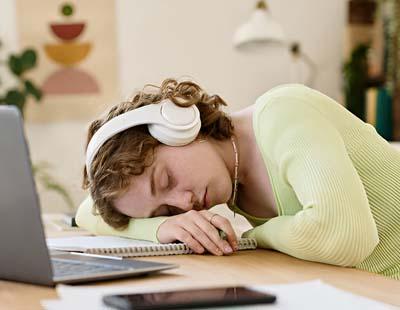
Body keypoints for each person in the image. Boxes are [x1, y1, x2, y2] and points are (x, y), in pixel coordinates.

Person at [76, 78, 400, 280]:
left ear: (179, 124)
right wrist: (160, 227)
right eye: (164, 209)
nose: (183, 204)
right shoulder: (228, 179)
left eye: (166, 180)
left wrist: (254, 236)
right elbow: (85, 213)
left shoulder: (282, 114)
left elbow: (346, 236)